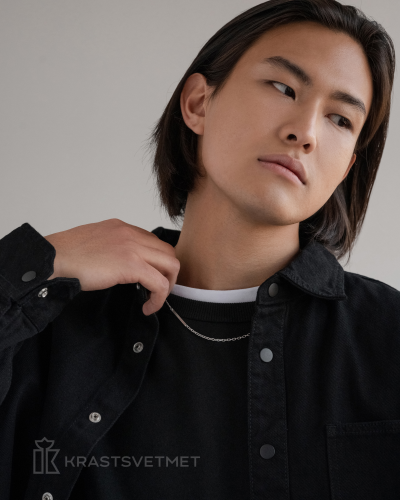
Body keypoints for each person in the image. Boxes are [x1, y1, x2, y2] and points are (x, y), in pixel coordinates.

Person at [0, 0, 398, 498]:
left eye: (340, 119)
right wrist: (32, 263)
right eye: (284, 88)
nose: (306, 133)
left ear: (346, 168)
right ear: (197, 104)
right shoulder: (46, 325)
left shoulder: (387, 338)